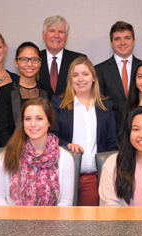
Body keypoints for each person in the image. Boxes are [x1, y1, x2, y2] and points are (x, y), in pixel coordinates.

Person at [51, 56, 117, 206]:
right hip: (62, 176)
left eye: (85, 74)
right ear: (70, 79)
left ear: (93, 78)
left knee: (89, 225)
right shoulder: (58, 103)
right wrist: (67, 144)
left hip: (92, 179)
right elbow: (52, 135)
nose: (80, 79)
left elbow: (111, 143)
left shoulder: (105, 106)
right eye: (75, 75)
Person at [0, 97, 75, 206]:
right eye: (27, 119)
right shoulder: (8, 155)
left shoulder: (65, 158)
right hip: (14, 220)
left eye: (39, 118)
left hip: (52, 221)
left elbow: (65, 203)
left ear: (49, 122)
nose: (33, 124)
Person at [0, 42, 48, 147]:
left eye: (34, 59)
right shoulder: (4, 92)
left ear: (40, 63)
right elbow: (2, 131)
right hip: (12, 150)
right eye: (24, 59)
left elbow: (51, 126)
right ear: (16, 62)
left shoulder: (47, 91)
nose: (29, 64)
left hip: (41, 151)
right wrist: (21, 151)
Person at [96, 21, 141, 114]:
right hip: (112, 125)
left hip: (141, 124)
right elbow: (99, 105)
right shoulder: (99, 70)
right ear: (111, 43)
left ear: (133, 41)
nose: (123, 42)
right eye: (117, 39)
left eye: (127, 38)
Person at [39, 15, 86, 100]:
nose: (56, 35)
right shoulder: (34, 60)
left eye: (61, 32)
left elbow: (85, 92)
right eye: (52, 31)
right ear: (44, 35)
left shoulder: (79, 59)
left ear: (66, 36)